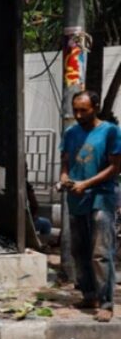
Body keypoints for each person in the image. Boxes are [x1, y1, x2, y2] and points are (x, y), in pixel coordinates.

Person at [60, 90, 121, 322]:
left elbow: (115, 168)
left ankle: (106, 302)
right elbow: (65, 161)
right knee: (79, 250)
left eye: (83, 110)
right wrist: (65, 176)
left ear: (94, 107)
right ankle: (89, 294)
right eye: (75, 110)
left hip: (101, 197)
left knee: (100, 252)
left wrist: (86, 183)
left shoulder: (110, 132)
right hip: (76, 198)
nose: (78, 114)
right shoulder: (70, 133)